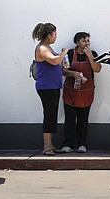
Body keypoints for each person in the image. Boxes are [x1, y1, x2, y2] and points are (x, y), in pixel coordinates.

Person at [60, 32, 102, 153]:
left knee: (83, 120)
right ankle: (67, 144)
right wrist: (73, 73)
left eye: (88, 41)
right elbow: (63, 71)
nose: (87, 43)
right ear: (77, 42)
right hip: (70, 92)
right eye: (84, 41)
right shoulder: (69, 54)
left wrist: (90, 56)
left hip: (86, 93)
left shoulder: (93, 54)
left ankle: (82, 144)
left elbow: (97, 69)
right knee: (70, 119)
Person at [32, 23, 69, 156]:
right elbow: (54, 61)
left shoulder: (48, 47)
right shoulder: (41, 48)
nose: (56, 37)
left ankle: (51, 145)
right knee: (49, 114)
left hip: (53, 86)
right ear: (49, 35)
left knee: (52, 115)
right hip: (46, 87)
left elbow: (56, 63)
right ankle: (46, 147)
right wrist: (64, 53)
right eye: (54, 34)